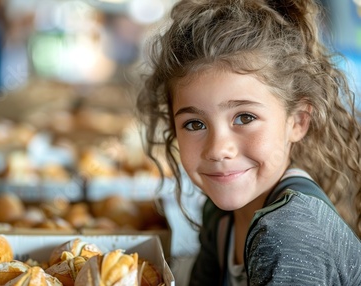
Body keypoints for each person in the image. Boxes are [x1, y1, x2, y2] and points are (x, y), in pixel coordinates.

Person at [137, 0, 361, 285]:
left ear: (298, 121)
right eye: (194, 124)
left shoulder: (290, 234)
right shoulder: (219, 216)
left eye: (244, 117)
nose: (218, 149)